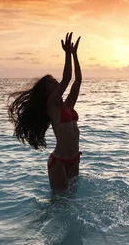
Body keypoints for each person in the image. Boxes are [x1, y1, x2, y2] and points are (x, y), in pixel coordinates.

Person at [8, 32, 82, 190]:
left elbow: (77, 81)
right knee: (59, 204)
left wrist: (75, 55)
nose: (55, 83)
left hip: (74, 158)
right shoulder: (52, 104)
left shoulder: (68, 105)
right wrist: (67, 54)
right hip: (59, 162)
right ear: (46, 93)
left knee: (71, 202)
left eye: (54, 81)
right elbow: (67, 78)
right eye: (50, 84)